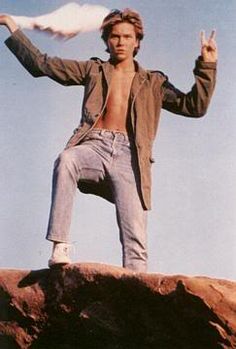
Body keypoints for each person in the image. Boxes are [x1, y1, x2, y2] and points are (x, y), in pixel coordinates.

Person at [0, 9, 217, 272]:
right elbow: (42, 65)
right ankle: (60, 244)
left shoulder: (154, 82)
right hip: (95, 147)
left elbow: (193, 106)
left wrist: (207, 66)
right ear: (106, 41)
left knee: (136, 236)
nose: (121, 42)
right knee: (67, 160)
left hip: (131, 158)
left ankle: (135, 296)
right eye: (115, 36)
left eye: (127, 36)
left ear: (137, 41)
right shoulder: (93, 69)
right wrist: (11, 26)